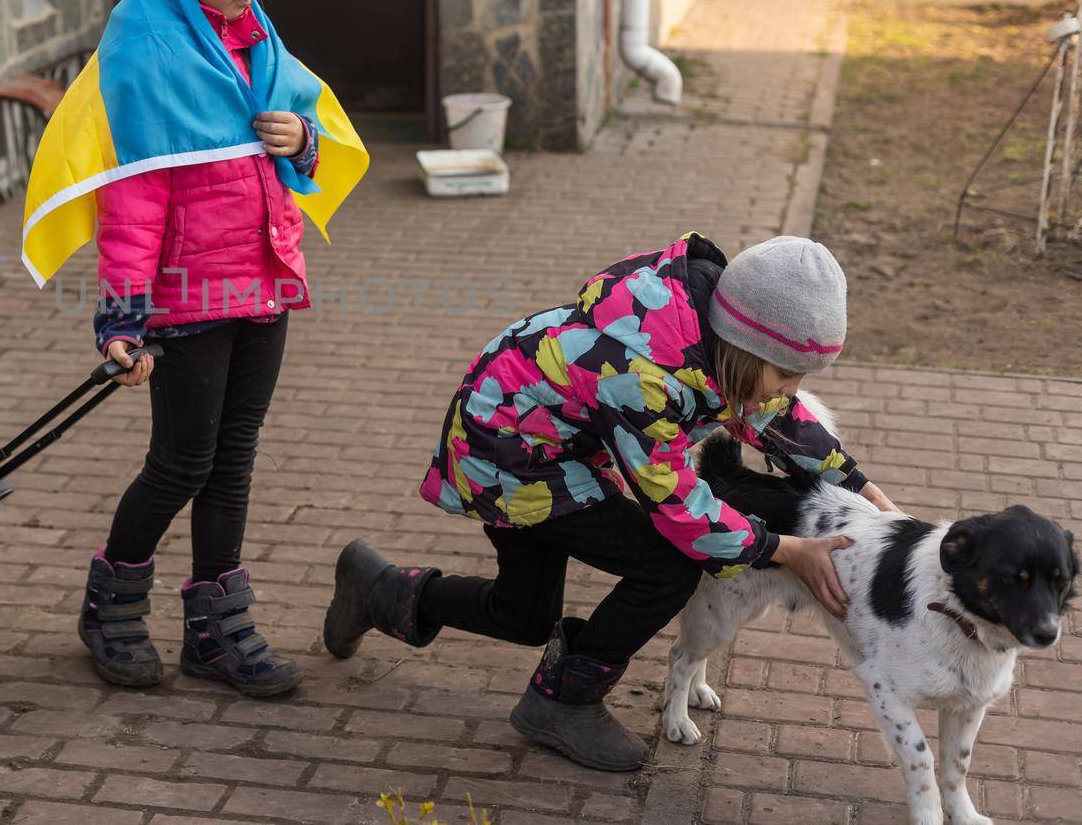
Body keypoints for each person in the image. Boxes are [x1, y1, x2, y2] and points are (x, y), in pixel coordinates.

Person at [322, 234, 899, 769]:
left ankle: (379, 591)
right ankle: (564, 703)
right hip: (512, 461)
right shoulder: (642, 372)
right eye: (787, 374)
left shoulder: (707, 338)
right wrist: (783, 549)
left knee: (524, 615)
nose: (791, 390)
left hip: (536, 450)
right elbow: (679, 508)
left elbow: (777, 418)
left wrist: (867, 491)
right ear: (745, 346)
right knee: (670, 563)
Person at [19, 0, 366, 697]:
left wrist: (305, 142)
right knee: (181, 461)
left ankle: (214, 626)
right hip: (186, 296)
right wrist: (123, 319)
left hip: (264, 281)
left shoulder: (255, 41)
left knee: (235, 457)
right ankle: (112, 602)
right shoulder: (147, 57)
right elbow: (131, 207)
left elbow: (286, 154)